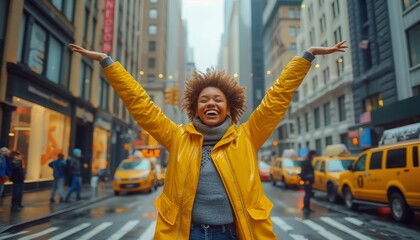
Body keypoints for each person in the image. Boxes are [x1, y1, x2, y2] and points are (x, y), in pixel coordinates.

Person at [69, 40, 347, 239]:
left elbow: (277, 99)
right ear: (195, 107)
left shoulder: (248, 136)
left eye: (217, 99)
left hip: (232, 234)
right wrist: (108, 63)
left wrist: (306, 57)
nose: (210, 104)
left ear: (229, 106)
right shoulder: (178, 138)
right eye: (204, 100)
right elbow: (141, 104)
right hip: (186, 234)